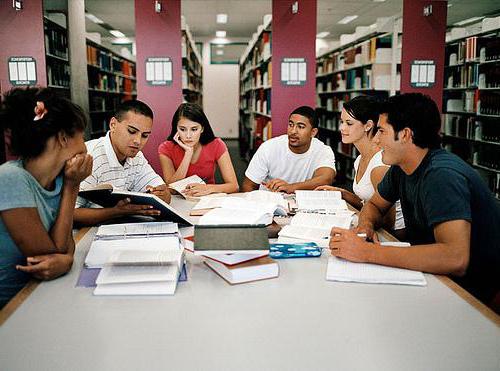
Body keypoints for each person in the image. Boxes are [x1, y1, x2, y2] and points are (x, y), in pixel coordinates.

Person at [330, 93, 500, 305]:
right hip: (434, 277)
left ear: (405, 135)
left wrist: (366, 252)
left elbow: (455, 258)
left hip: (471, 293)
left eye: (382, 131)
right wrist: (365, 228)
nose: (376, 138)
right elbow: (374, 204)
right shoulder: (401, 167)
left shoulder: (441, 175)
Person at [0, 87, 93, 308]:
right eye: (82, 136)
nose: (85, 146)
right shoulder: (10, 178)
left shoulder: (60, 178)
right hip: (11, 307)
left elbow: (65, 252)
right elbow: (51, 257)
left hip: (39, 296)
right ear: (62, 137)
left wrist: (71, 183)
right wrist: (73, 187)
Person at [315, 96, 404, 232]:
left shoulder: (379, 165)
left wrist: (354, 219)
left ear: (368, 126)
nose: (341, 128)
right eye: (341, 122)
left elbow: (387, 223)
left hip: (394, 236)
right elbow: (369, 203)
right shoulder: (359, 159)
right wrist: (343, 193)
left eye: (349, 123)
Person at [74, 100, 171, 225]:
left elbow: (163, 191)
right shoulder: (90, 156)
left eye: (145, 135)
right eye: (131, 131)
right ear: (113, 124)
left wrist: (163, 194)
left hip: (119, 228)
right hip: (86, 234)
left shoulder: (137, 156)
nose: (138, 141)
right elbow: (71, 214)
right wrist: (116, 212)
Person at [242, 106, 336, 193]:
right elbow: (248, 185)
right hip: (270, 204)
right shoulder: (269, 147)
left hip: (302, 206)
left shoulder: (323, 150)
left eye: (300, 127)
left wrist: (291, 187)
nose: (293, 131)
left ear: (313, 132)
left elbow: (326, 178)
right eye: (291, 125)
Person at [158, 103, 238, 196]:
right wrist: (188, 154)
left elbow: (234, 186)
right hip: (179, 199)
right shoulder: (166, 148)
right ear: (176, 129)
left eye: (194, 129)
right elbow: (171, 189)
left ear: (202, 129)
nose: (188, 135)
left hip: (208, 197)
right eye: (182, 129)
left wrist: (208, 188)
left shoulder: (216, 144)